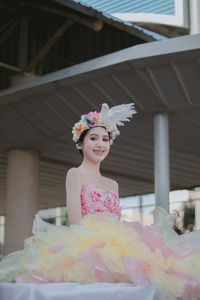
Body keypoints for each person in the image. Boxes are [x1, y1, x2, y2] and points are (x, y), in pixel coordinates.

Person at [0, 103, 200, 300]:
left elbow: (116, 222)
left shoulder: (112, 184)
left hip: (118, 245)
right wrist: (98, 249)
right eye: (93, 138)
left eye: (105, 139)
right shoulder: (75, 174)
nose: (100, 144)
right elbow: (75, 221)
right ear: (80, 143)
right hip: (84, 246)